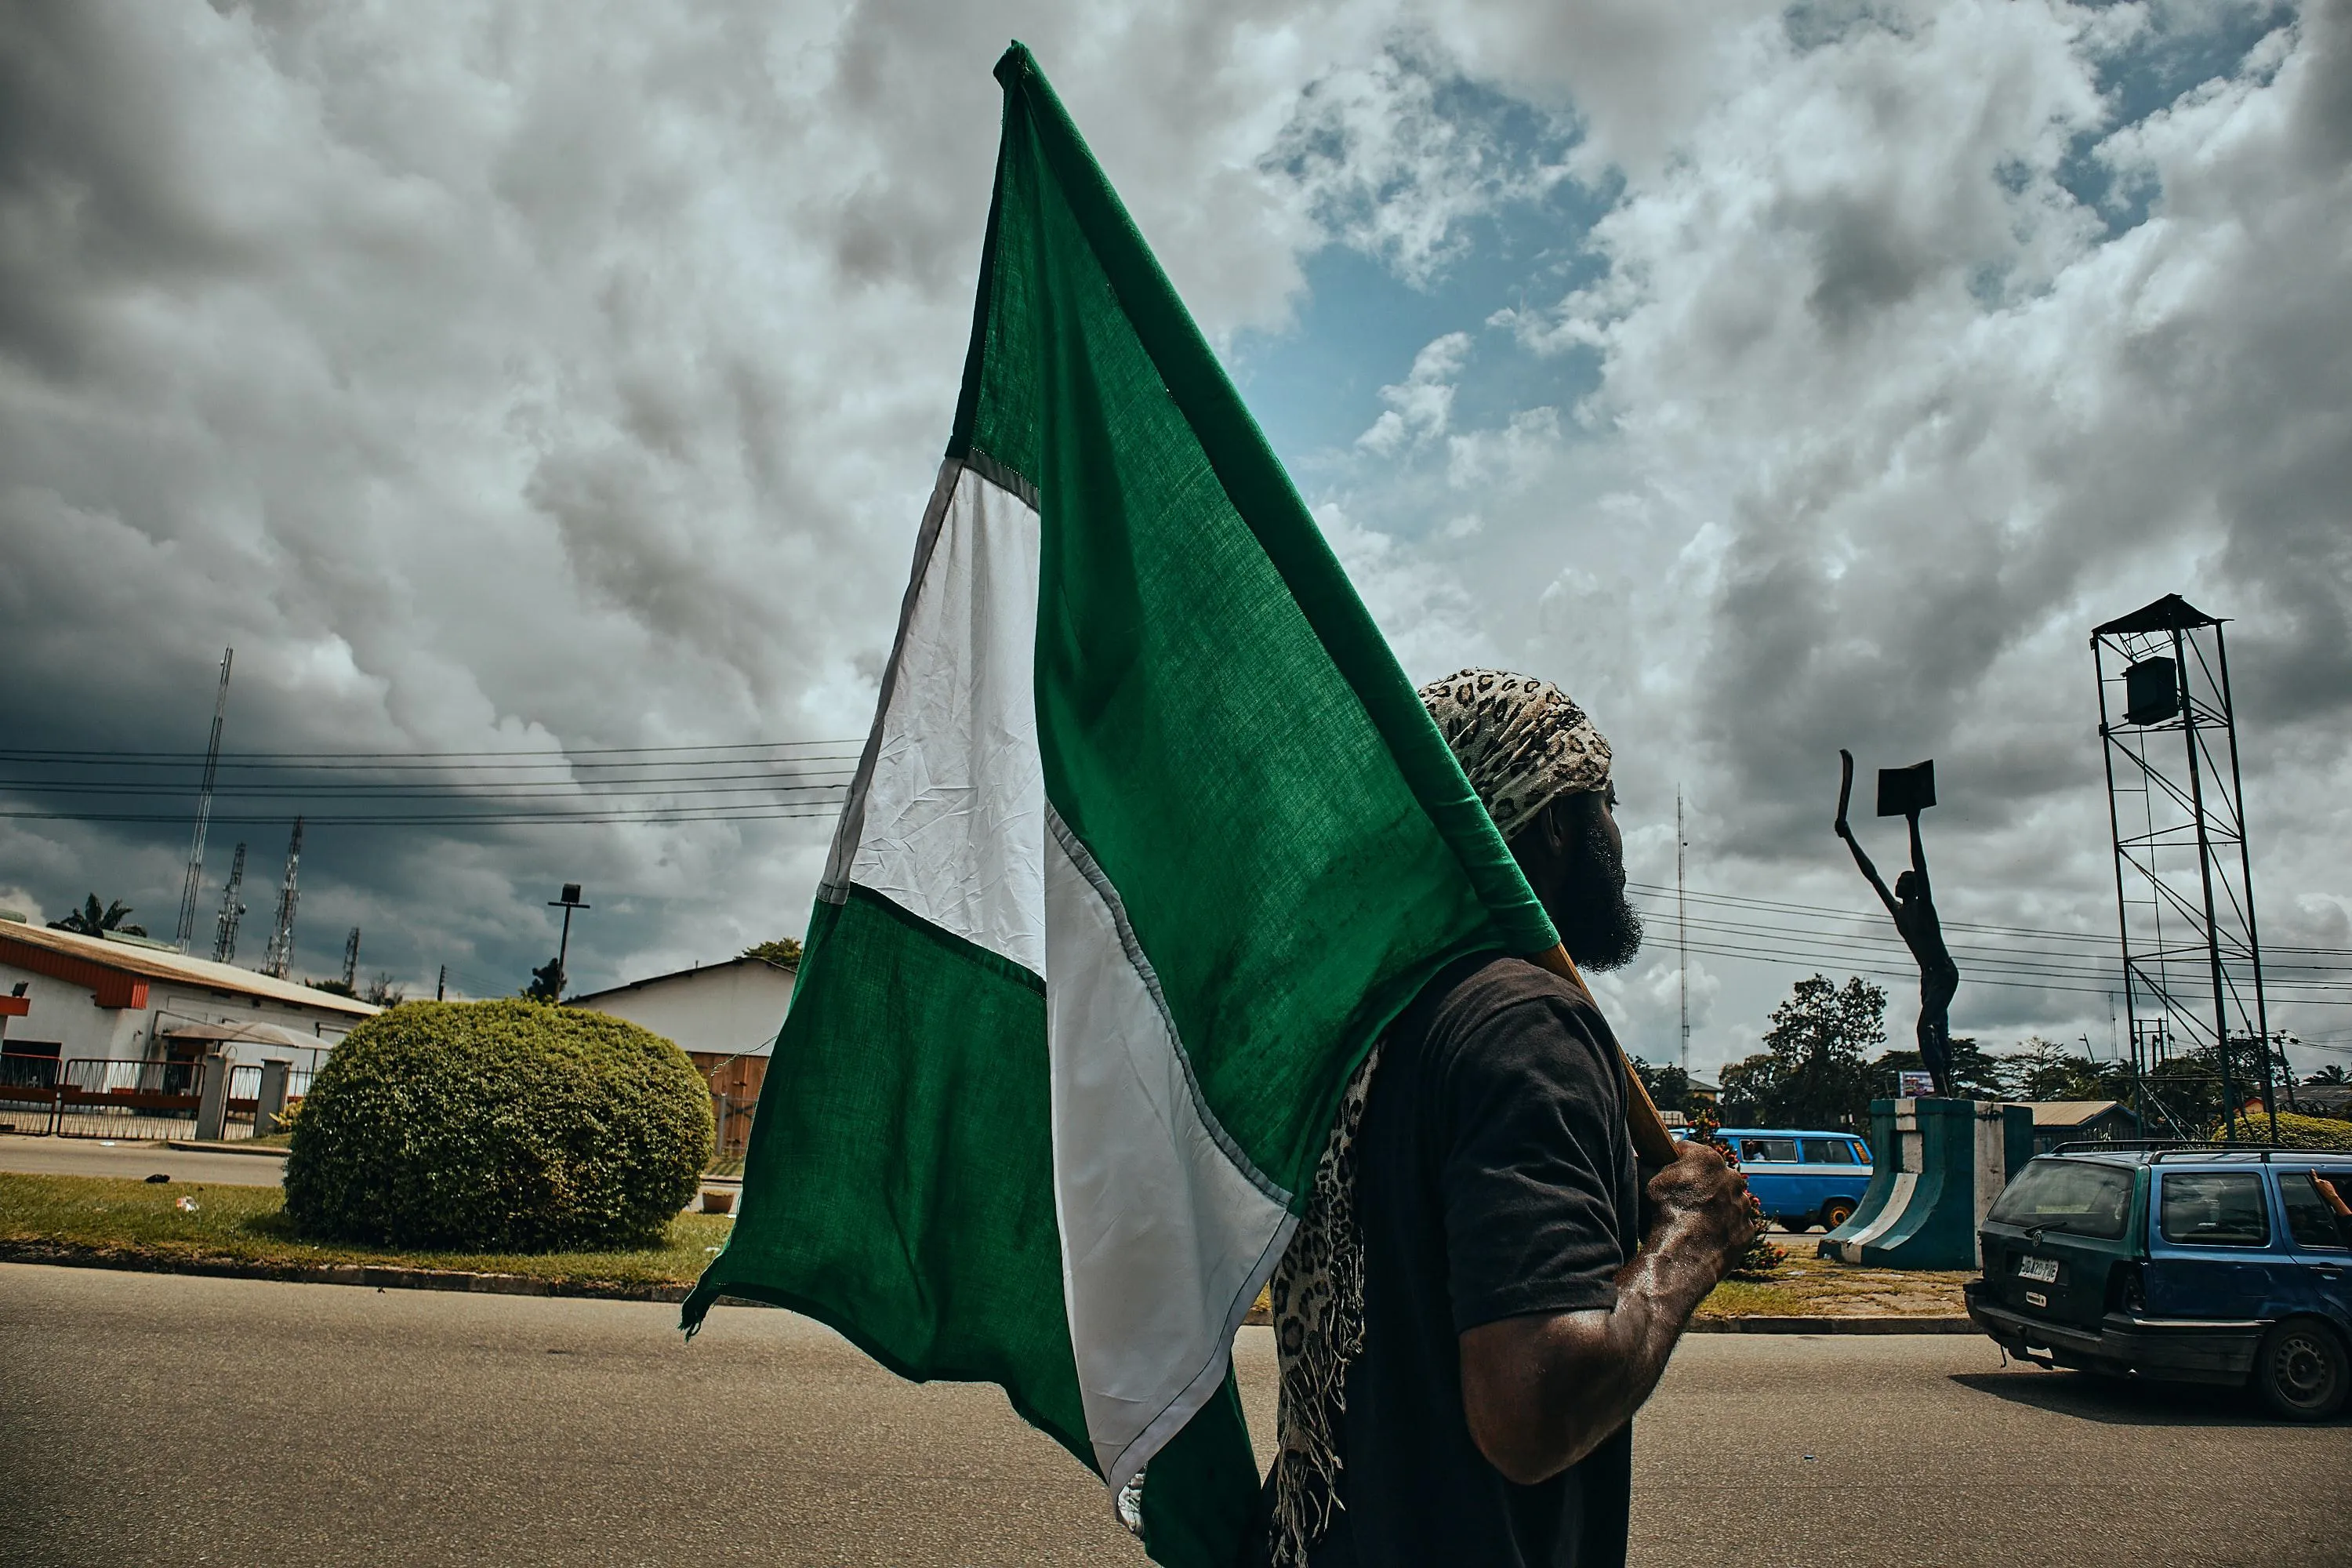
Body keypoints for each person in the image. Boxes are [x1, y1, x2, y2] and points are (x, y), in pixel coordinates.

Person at [1251, 669, 1759, 1568]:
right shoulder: (1525, 1025)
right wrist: (1689, 1241)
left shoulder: (1373, 1023)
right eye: (1608, 799)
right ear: (1558, 817)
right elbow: (1530, 1406)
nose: (1618, 833)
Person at [1833, 750, 1960, 1097]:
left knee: (1926, 1029)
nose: (1897, 883)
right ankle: (1947, 1083)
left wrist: (1912, 822)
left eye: (1904, 880)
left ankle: (1942, 1089)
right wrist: (1849, 837)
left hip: (1944, 972)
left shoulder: (1925, 908)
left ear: (1914, 886)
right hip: (1927, 975)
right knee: (1939, 1031)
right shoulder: (1899, 911)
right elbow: (1871, 874)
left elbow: (1918, 860)